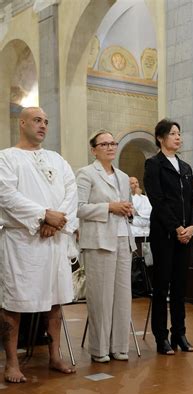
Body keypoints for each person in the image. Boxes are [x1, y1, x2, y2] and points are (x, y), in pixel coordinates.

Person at [0, 106, 77, 382]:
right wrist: (43, 214)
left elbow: (71, 191)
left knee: (55, 301)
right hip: (22, 242)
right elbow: (6, 195)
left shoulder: (57, 159)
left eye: (45, 121)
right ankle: (11, 362)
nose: (43, 125)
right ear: (22, 123)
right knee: (14, 302)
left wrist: (56, 220)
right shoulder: (6, 158)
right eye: (36, 120)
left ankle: (55, 355)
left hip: (54, 239)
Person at [76, 130, 136, 362]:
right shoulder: (86, 174)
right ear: (94, 149)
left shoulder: (122, 176)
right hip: (99, 240)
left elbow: (126, 205)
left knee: (122, 295)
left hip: (123, 238)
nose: (111, 147)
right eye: (105, 144)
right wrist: (109, 207)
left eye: (113, 143)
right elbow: (79, 208)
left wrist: (128, 209)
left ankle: (120, 346)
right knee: (101, 297)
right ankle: (99, 348)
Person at [144, 119, 193, 355]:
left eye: (179, 133)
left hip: (185, 235)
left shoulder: (185, 167)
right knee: (162, 286)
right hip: (165, 234)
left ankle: (180, 332)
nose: (178, 137)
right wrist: (177, 227)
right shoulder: (153, 164)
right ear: (160, 137)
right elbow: (157, 200)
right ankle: (161, 336)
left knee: (180, 286)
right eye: (173, 133)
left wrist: (192, 227)